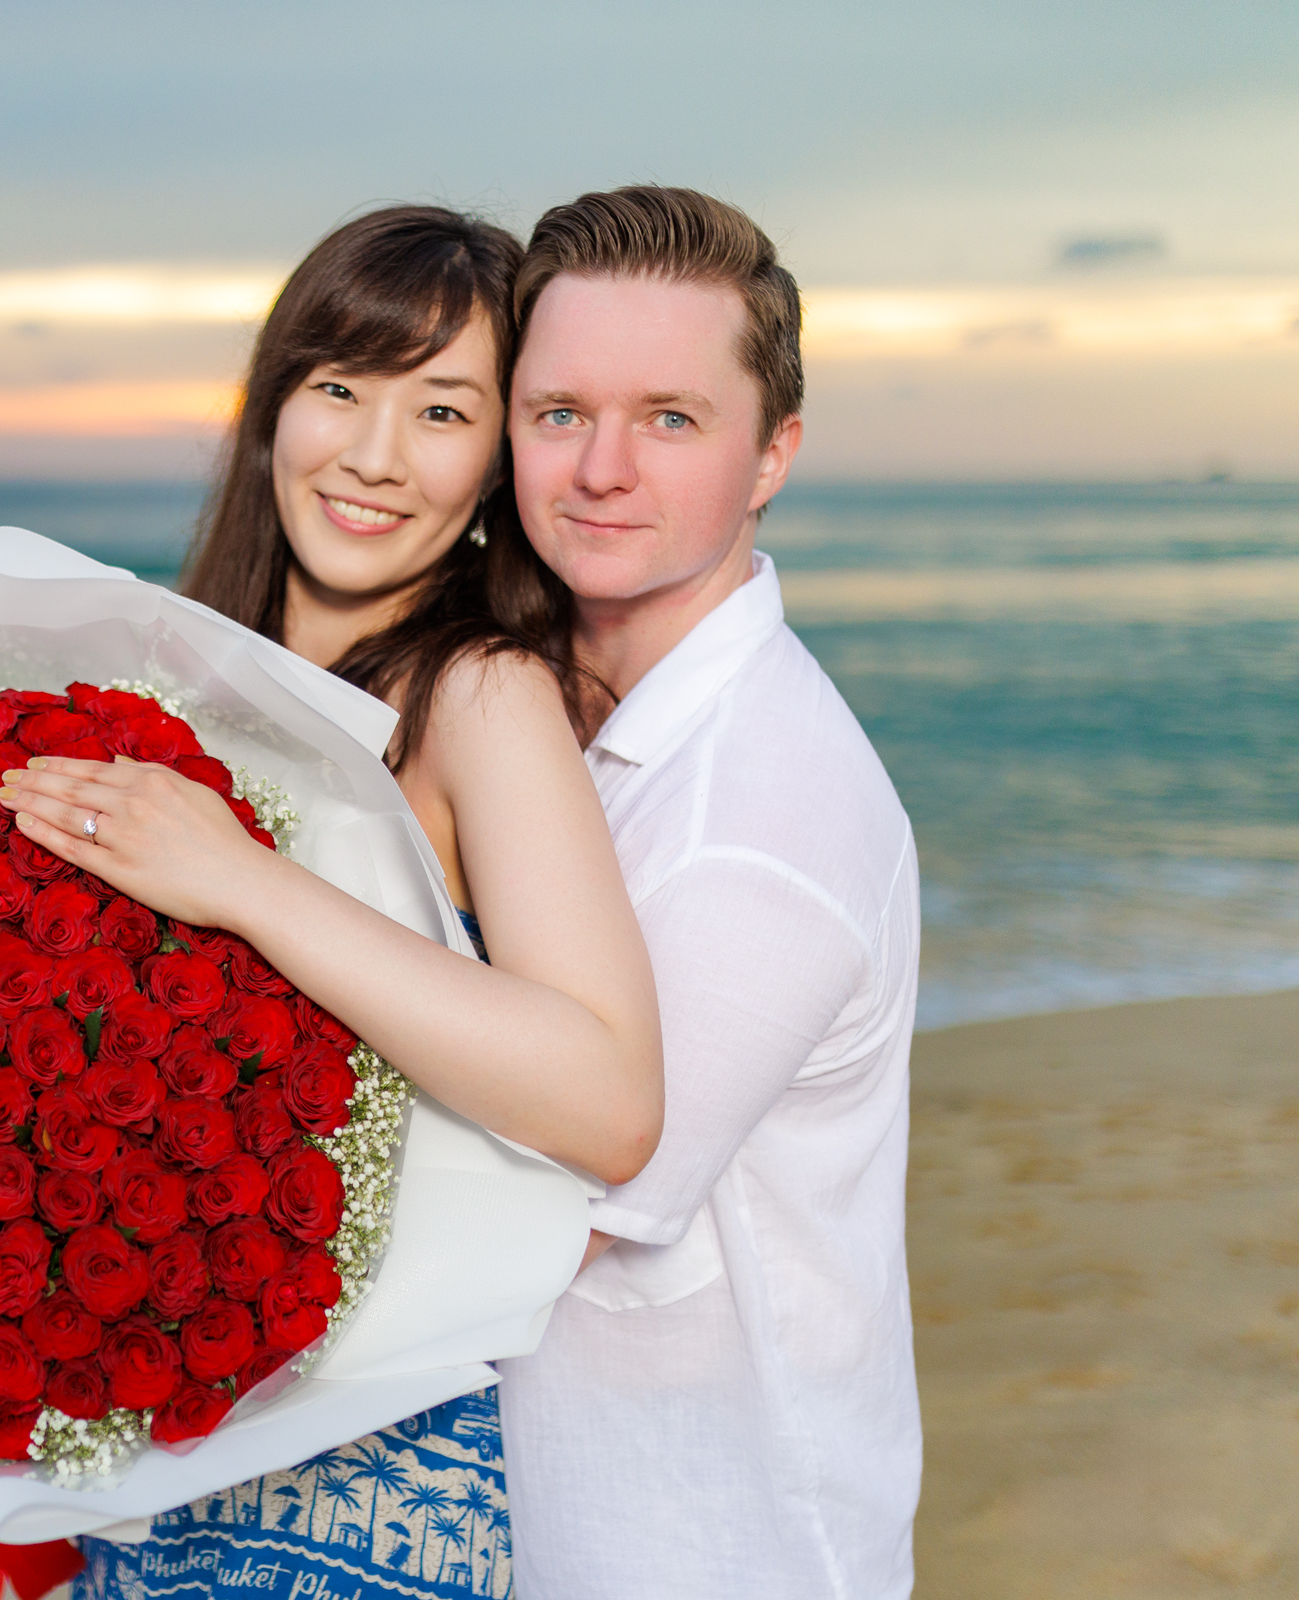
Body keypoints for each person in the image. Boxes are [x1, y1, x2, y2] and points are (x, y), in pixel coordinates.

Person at [0, 205, 666, 1599]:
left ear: (497, 463)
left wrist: (245, 881)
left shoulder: (477, 693)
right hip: (159, 1445)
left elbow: (607, 1100)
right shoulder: (180, 674)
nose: (374, 455)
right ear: (273, 406)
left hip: (370, 1480)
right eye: (343, 388)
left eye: (443, 411)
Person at [492, 186, 922, 1599]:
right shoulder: (545, 715)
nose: (600, 470)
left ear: (771, 453)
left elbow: (528, 1218)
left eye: (670, 418)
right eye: (560, 412)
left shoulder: (756, 819)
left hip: (708, 1547)